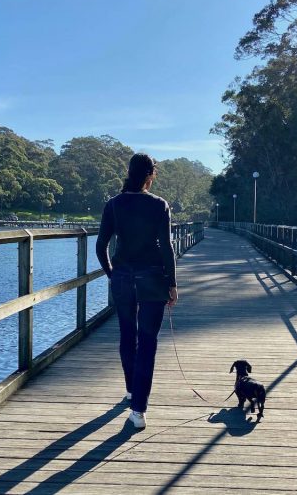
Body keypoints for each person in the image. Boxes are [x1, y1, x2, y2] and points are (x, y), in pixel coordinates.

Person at [96, 153, 178, 429]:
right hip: (152, 279)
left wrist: (113, 275)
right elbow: (166, 248)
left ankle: (132, 390)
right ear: (150, 175)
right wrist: (172, 284)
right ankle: (138, 409)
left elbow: (101, 246)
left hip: (123, 279)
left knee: (127, 335)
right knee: (148, 343)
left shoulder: (114, 204)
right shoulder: (159, 205)